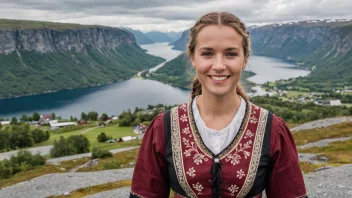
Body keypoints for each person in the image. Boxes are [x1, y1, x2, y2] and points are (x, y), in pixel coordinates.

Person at [130, 12, 307, 198]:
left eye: (231, 54)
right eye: (207, 53)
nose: (219, 65)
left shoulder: (272, 130)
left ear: (245, 59)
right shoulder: (164, 127)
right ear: (193, 58)